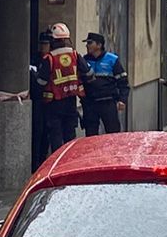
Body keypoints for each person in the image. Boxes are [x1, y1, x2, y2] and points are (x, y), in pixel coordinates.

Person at [33, 24, 82, 166]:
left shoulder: (49, 58)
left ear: (53, 41)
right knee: (70, 135)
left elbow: (41, 81)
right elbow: (88, 73)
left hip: (53, 103)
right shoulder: (74, 54)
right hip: (71, 101)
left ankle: (58, 166)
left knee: (55, 136)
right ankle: (71, 163)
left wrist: (35, 77)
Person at [81, 31, 127, 135]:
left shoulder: (112, 60)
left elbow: (123, 82)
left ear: (99, 45)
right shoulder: (84, 60)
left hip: (108, 103)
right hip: (90, 103)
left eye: (90, 43)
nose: (87, 45)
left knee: (113, 134)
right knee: (90, 136)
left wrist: (122, 100)